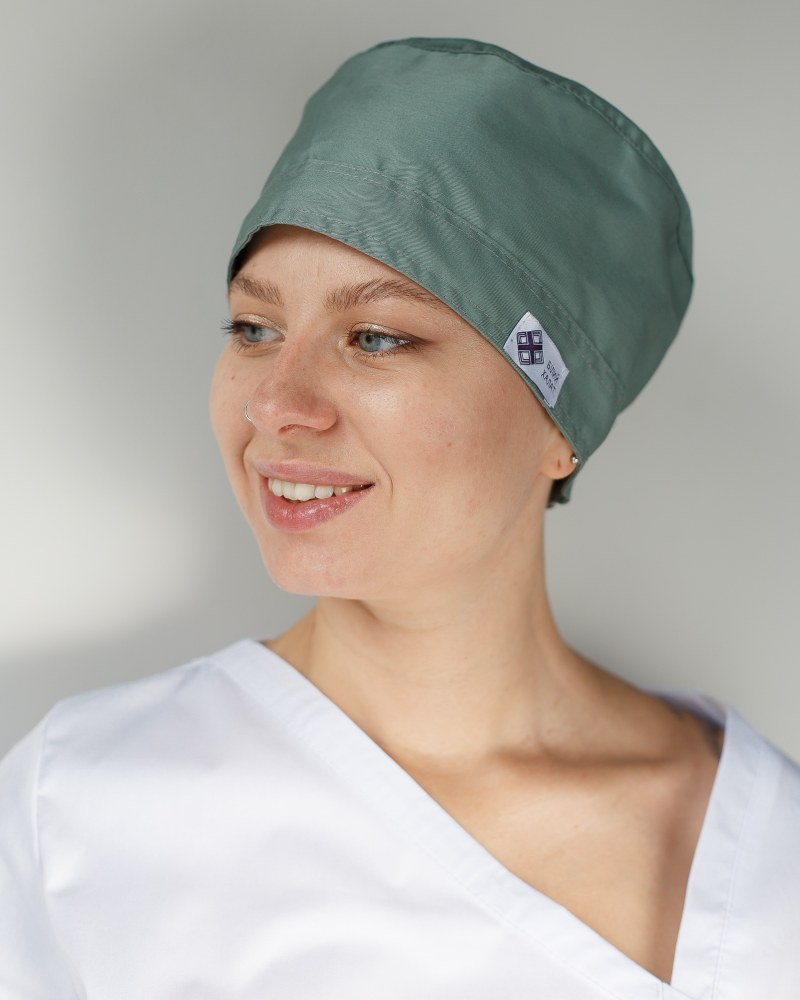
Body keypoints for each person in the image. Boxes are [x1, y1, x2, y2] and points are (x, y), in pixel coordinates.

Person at [1, 36, 798, 1000]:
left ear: (559, 424)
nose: (275, 403)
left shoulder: (769, 858)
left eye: (375, 338)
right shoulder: (83, 809)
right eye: (254, 329)